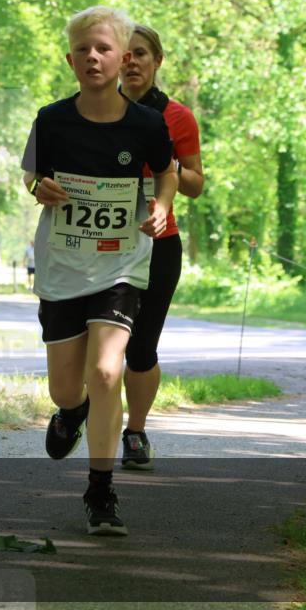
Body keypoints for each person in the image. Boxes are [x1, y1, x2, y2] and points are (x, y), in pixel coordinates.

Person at [22, 6, 177, 535]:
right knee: (67, 388)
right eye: (83, 49)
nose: (93, 56)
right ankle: (72, 411)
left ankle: (101, 491)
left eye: (104, 48)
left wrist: (161, 205)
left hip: (121, 263)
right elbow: (31, 175)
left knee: (108, 371)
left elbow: (167, 172)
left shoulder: (147, 124)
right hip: (63, 265)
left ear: (124, 58)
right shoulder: (51, 119)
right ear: (70, 60)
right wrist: (39, 187)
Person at [118, 24, 204, 471]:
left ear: (157, 61)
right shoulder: (96, 110)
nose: (132, 62)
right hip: (102, 243)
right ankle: (81, 409)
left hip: (159, 243)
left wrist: (168, 165)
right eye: (125, 54)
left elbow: (196, 184)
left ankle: (135, 431)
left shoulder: (178, 117)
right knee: (99, 343)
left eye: (140, 54)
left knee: (141, 348)